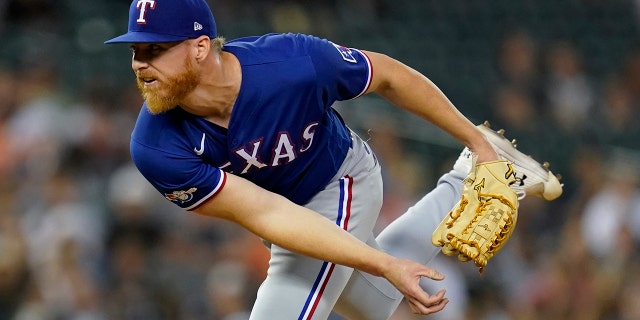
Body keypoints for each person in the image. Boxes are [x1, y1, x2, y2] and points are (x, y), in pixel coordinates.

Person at [104, 0, 562, 319]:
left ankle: (482, 155)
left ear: (200, 47)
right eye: (135, 50)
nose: (139, 64)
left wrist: (476, 140)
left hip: (341, 181)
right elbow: (268, 213)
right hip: (287, 215)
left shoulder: (291, 63)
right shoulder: (155, 147)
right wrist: (383, 265)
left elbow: (389, 76)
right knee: (378, 299)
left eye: (155, 49)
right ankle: (463, 181)